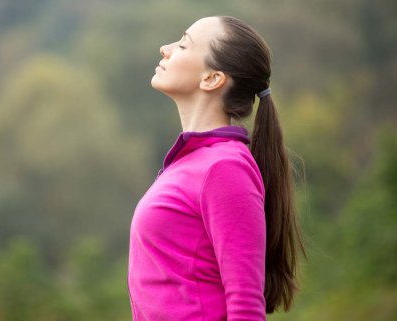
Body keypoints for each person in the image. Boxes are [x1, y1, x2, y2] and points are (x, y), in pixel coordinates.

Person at [127, 16, 306, 321]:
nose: (165, 49)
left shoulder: (224, 168)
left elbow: (246, 305)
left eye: (183, 44)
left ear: (212, 79)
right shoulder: (190, 162)